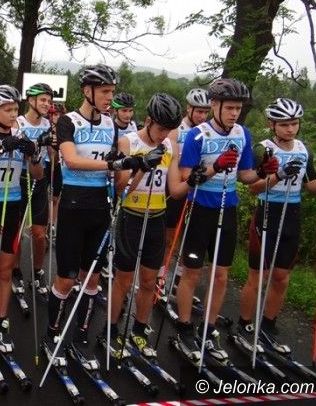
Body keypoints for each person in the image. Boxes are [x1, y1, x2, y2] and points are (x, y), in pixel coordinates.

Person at [175, 78, 278, 362]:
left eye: (238, 108)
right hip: (200, 209)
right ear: (215, 105)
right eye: (229, 107)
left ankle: (208, 329)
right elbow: (186, 176)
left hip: (227, 208)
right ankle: (184, 327)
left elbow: (245, 176)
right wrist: (215, 166)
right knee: (192, 273)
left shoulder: (243, 133)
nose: (234, 113)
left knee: (221, 275)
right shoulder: (197, 135)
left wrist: (263, 172)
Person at [105, 93, 207, 358]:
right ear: (149, 121)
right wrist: (142, 166)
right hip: (131, 216)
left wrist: (193, 180)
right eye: (161, 129)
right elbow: (121, 190)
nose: (164, 135)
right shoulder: (128, 142)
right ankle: (110, 330)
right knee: (124, 280)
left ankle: (139, 329)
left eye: (169, 130)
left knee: (150, 281)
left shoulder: (170, 147)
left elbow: (175, 191)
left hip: (157, 218)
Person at [236, 98, 316, 354]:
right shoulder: (263, 149)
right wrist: (278, 175)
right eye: (284, 124)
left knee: (281, 278)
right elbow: (253, 187)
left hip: (292, 214)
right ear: (272, 125)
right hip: (267, 212)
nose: (290, 129)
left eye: (294, 123)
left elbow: (310, 186)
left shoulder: (304, 150)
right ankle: (244, 325)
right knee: (258, 276)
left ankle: (268, 325)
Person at [45, 64, 124, 359]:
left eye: (112, 91)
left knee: (91, 277)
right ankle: (52, 330)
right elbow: (71, 160)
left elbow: (115, 166)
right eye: (104, 91)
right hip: (73, 206)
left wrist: (127, 165)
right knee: (66, 277)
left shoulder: (111, 124)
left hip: (100, 208)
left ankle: (82, 328)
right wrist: (112, 164)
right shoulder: (68, 121)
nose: (109, 97)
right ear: (87, 91)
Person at [0, 85, 44, 351]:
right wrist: (0, 149)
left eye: (15, 109)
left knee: (5, 270)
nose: (14, 114)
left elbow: (38, 175)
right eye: (8, 109)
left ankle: (2, 323)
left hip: (13, 204)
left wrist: (34, 154)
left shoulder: (21, 133)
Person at [161, 87, 211, 291]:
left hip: (197, 189)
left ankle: (180, 279)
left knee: (188, 238)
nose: (202, 116)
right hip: (175, 187)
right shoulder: (177, 129)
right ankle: (159, 278)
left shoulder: (207, 131)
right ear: (189, 108)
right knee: (169, 237)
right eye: (199, 111)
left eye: (206, 112)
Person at [14, 82, 53, 297]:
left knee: (39, 234)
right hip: (19, 179)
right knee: (17, 231)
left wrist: (54, 147)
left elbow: (53, 154)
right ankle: (15, 270)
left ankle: (38, 271)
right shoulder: (18, 123)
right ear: (31, 100)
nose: (47, 104)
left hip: (40, 179)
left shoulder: (48, 124)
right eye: (43, 100)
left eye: (49, 100)